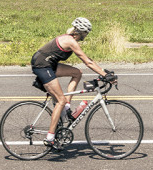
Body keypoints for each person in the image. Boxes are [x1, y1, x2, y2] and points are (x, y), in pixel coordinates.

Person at [31, 17, 116, 148]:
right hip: (42, 65)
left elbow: (88, 59)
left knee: (77, 73)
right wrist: (105, 75)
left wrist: (104, 71)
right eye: (86, 33)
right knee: (60, 100)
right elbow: (87, 62)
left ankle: (66, 108)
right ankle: (50, 137)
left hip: (49, 64)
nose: (86, 36)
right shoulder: (70, 41)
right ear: (81, 32)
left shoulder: (71, 40)